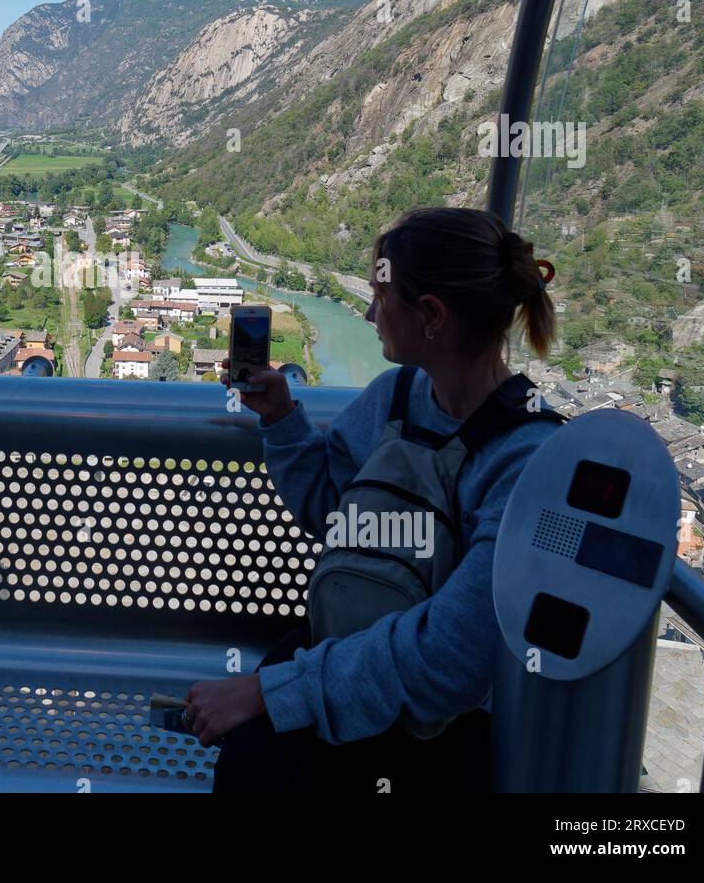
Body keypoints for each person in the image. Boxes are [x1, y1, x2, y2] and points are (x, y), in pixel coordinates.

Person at [186, 207, 562, 793]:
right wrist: (282, 420)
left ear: (432, 316)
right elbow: (333, 511)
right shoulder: (397, 397)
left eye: (381, 298)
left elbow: (450, 657)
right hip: (345, 659)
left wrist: (272, 692)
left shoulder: (525, 459)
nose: (367, 313)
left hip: (434, 731)